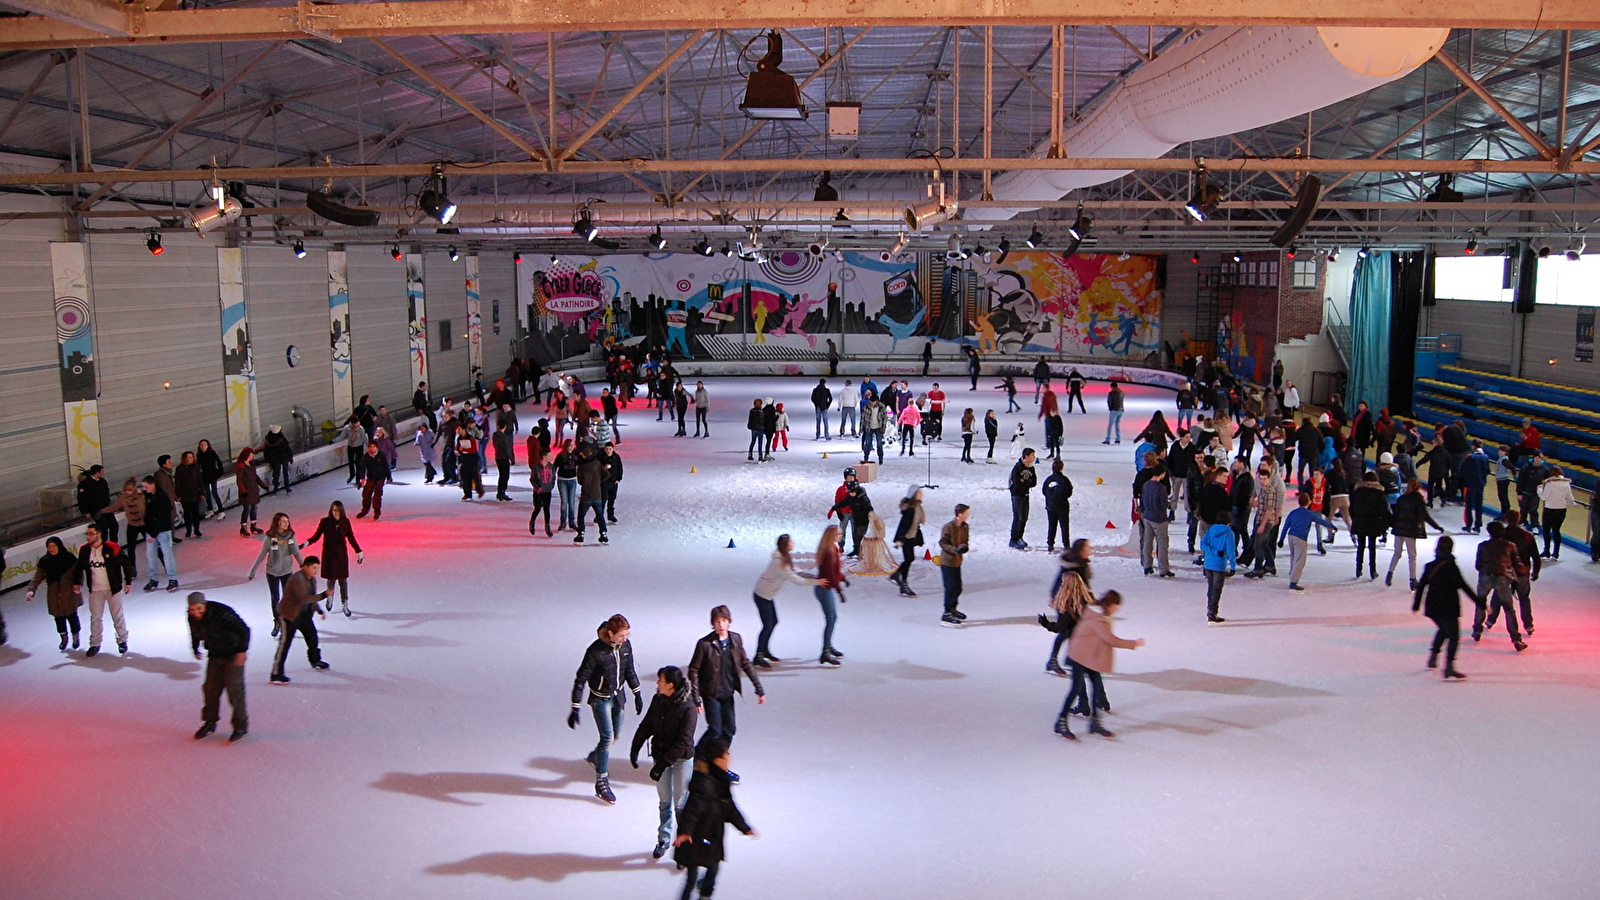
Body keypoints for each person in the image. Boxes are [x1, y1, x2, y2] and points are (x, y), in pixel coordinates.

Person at [569, 614, 642, 804]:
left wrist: (637, 692)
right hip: (600, 700)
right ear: (610, 634)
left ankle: (596, 756)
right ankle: (601, 781)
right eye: (621, 635)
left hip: (618, 697)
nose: (625, 639)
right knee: (607, 737)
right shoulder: (596, 651)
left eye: (627, 635)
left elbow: (629, 670)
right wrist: (575, 706)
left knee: (615, 736)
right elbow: (581, 678)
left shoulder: (625, 646)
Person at [672, 736, 756, 900]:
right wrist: (685, 832)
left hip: (711, 835)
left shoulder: (721, 782)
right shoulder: (703, 785)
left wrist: (744, 827)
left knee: (713, 869)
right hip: (695, 838)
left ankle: (704, 896)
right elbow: (691, 811)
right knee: (692, 876)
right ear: (717, 760)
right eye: (727, 754)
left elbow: (730, 809)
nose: (730, 757)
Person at [631, 666, 699, 859]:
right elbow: (647, 724)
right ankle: (664, 838)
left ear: (670, 685)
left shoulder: (688, 706)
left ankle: (685, 842)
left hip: (681, 760)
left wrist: (661, 765)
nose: (657, 683)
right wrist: (636, 746)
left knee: (680, 802)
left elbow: (683, 741)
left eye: (660, 680)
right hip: (660, 755)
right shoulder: (658, 700)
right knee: (664, 801)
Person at [1059, 591, 1144, 740]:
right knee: (1075, 689)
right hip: (1079, 656)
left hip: (1090, 656)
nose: (1117, 609)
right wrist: (1134, 643)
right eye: (1116, 606)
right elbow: (1111, 640)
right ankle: (1061, 722)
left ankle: (1094, 722)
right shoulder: (1097, 620)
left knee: (1097, 687)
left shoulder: (1100, 615)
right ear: (1109, 605)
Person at [687, 605, 766, 740]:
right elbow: (693, 670)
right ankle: (700, 757)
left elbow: (745, 663)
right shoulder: (705, 644)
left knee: (730, 729)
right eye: (717, 621)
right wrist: (696, 698)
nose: (721, 624)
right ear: (713, 623)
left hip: (727, 692)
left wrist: (758, 688)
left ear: (729, 621)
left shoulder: (735, 640)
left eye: (724, 620)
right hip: (711, 694)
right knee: (715, 730)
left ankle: (719, 757)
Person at [751, 534, 822, 668]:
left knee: (773, 622)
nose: (793, 543)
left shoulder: (784, 558)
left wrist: (812, 576)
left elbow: (795, 572)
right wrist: (817, 582)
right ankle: (758, 656)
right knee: (768, 625)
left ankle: (764, 651)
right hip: (762, 595)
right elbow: (797, 580)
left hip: (767, 595)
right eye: (791, 542)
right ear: (786, 545)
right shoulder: (779, 563)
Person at [1412, 538, 1472, 680]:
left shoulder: (1430, 566)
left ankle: (1433, 656)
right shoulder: (1451, 567)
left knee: (1444, 630)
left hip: (1433, 606)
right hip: (1448, 606)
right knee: (1454, 636)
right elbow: (1463, 586)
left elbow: (1421, 587)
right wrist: (1480, 602)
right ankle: (1449, 667)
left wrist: (1416, 605)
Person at [269, 556, 332, 684]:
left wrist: (318, 610)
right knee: (285, 644)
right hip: (289, 615)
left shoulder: (311, 579)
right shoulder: (297, 579)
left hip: (303, 615)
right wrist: (324, 595)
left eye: (317, 568)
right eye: (313, 568)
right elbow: (304, 598)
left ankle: (315, 660)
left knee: (312, 637)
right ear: (306, 567)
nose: (316, 571)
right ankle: (276, 673)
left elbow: (311, 598)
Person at [74, 523, 134, 657]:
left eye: (91, 534)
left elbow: (126, 564)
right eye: (87, 534)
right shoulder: (84, 550)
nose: (88, 537)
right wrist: (77, 582)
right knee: (95, 617)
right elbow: (80, 567)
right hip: (95, 589)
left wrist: (128, 581)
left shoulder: (112, 548)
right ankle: (95, 643)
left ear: (99, 534)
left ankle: (122, 640)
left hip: (112, 588)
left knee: (117, 616)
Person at [1472, 522, 1527, 651]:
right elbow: (1518, 564)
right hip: (1502, 578)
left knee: (1481, 603)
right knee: (1508, 609)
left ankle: (1477, 631)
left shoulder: (1482, 546)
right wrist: (1524, 572)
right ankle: (1516, 639)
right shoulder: (1510, 546)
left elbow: (1478, 565)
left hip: (1485, 577)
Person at [301, 501, 362, 617]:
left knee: (343, 581)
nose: (336, 513)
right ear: (331, 511)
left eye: (338, 510)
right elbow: (317, 536)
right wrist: (306, 543)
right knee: (331, 580)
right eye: (334, 510)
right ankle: (330, 597)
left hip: (341, 556)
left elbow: (351, 538)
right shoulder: (325, 522)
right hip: (329, 556)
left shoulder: (345, 522)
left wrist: (359, 551)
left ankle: (345, 603)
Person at [248, 513, 305, 638]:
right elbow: (262, 554)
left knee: (287, 597)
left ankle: (287, 620)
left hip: (286, 570)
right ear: (277, 523)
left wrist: (303, 566)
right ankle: (277, 621)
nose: (286, 523)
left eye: (287, 521)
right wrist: (253, 570)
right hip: (272, 572)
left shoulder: (291, 536)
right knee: (275, 597)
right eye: (283, 521)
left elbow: (295, 551)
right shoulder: (269, 537)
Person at [1043, 539, 1091, 676]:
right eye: (1088, 547)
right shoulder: (1073, 566)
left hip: (1073, 600)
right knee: (1065, 629)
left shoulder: (1080, 563)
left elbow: (1083, 587)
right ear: (1081, 550)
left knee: (1074, 629)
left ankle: (1071, 658)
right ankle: (1053, 660)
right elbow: (1065, 585)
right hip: (1065, 600)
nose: (1091, 549)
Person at [1386, 480, 1445, 590]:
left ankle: (1390, 573)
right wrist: (1437, 527)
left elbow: (1395, 515)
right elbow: (1425, 515)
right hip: (1410, 530)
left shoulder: (1401, 498)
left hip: (1399, 530)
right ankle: (1413, 580)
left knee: (1397, 553)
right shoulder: (1418, 499)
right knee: (1412, 556)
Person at [26, 537, 81, 651]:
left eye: (53, 546)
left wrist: (77, 584)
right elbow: (38, 576)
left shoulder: (69, 558)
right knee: (58, 618)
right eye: (49, 547)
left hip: (69, 593)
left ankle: (75, 636)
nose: (51, 549)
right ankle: (64, 638)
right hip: (54, 594)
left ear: (59, 546)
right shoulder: (45, 561)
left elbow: (78, 573)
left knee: (72, 616)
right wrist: (31, 590)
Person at [1278, 492, 1337, 592]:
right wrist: (1332, 526)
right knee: (1300, 560)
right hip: (1300, 538)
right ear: (1309, 502)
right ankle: (1293, 582)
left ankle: (1292, 574)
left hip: (1291, 536)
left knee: (1294, 557)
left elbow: (1286, 526)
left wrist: (1281, 539)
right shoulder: (1309, 514)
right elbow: (1321, 521)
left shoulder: (1293, 512)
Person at [810, 530, 848, 666]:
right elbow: (830, 574)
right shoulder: (828, 552)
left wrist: (842, 578)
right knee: (831, 619)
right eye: (839, 533)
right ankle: (825, 652)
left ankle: (828, 645)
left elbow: (835, 571)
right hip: (824, 589)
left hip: (826, 588)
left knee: (832, 618)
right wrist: (839, 591)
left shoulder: (833, 548)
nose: (841, 535)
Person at [1243, 458, 1285, 579]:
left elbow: (1270, 509)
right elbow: (1256, 496)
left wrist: (1263, 524)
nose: (1261, 481)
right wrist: (1254, 501)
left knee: (1259, 544)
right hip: (1260, 518)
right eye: (1260, 479)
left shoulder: (1271, 490)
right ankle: (1270, 565)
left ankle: (1258, 568)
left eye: (1264, 479)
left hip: (1266, 521)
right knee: (1263, 543)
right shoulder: (1262, 488)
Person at [139, 475, 179, 593]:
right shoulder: (148, 495)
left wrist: (153, 534)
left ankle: (172, 579)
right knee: (151, 556)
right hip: (151, 531)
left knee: (167, 555)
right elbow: (148, 514)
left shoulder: (162, 498)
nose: (144, 489)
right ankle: (153, 579)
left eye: (146, 486)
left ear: (153, 485)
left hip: (162, 531)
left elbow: (162, 518)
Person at [1349, 471, 1392, 580]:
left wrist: (1355, 517)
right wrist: (1390, 521)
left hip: (1360, 520)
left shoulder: (1357, 491)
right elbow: (1383, 510)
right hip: (1373, 521)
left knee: (1361, 546)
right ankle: (1373, 570)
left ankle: (1358, 569)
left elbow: (1351, 507)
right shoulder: (1379, 493)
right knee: (1372, 547)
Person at [1138, 464, 1175, 577]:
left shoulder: (1146, 485)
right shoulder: (1161, 488)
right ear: (1163, 474)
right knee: (1162, 544)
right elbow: (1163, 504)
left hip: (1147, 517)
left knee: (1147, 542)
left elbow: (1142, 500)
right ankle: (1163, 569)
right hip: (1159, 519)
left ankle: (1147, 565)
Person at [937, 504, 971, 627]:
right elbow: (942, 542)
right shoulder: (948, 527)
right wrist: (954, 549)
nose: (968, 516)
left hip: (957, 562)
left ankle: (953, 609)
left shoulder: (965, 527)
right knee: (950, 588)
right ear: (959, 514)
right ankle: (946, 613)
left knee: (958, 587)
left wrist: (964, 548)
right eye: (966, 513)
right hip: (947, 562)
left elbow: (965, 541)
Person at [1201, 511, 1237, 623]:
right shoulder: (1229, 533)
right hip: (1219, 565)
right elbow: (1231, 551)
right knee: (1216, 590)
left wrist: (1213, 551)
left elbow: (1203, 544)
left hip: (1208, 564)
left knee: (1211, 588)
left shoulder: (1211, 529)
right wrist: (1233, 566)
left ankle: (1210, 609)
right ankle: (1212, 613)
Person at [891, 486, 926, 597]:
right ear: (913, 494)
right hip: (906, 537)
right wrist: (899, 540)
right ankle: (903, 585)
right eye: (919, 492)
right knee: (909, 559)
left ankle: (897, 574)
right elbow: (904, 525)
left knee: (910, 558)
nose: (921, 494)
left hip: (910, 536)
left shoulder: (916, 506)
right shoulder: (911, 509)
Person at [1537, 466, 1574, 558]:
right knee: (1556, 530)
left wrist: (1539, 489)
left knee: (1546, 530)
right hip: (1561, 510)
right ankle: (1556, 552)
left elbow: (1544, 497)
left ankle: (1546, 551)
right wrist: (1573, 504)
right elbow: (1570, 498)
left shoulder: (1550, 484)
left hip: (1550, 509)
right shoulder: (1566, 484)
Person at [1041, 460, 1074, 552]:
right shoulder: (1064, 480)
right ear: (1062, 468)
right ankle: (1066, 544)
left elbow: (1044, 491)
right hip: (1062, 506)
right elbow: (1069, 492)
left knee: (1052, 525)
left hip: (1050, 506)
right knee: (1064, 526)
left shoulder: (1048, 480)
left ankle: (1050, 543)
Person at [1008, 448, 1038, 550]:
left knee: (1024, 517)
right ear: (1026, 456)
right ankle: (1013, 539)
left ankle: (1020, 537)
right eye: (1032, 455)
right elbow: (1017, 483)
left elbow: (1034, 482)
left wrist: (1025, 482)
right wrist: (1026, 483)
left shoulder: (1031, 468)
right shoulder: (1017, 468)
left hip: (1026, 495)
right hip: (1017, 496)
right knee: (1018, 517)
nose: (1034, 457)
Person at [235, 448, 267, 536]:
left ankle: (253, 526)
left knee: (254, 508)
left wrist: (263, 485)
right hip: (246, 491)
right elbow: (239, 480)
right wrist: (243, 491)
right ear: (247, 455)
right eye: (251, 454)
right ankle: (243, 527)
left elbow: (255, 477)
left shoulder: (251, 465)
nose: (253, 455)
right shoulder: (240, 466)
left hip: (253, 490)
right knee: (247, 509)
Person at [175, 451, 206, 539]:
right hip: (185, 495)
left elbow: (199, 480)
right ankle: (188, 530)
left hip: (195, 494)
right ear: (184, 458)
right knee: (187, 513)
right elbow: (178, 483)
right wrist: (178, 495)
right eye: (188, 457)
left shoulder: (196, 467)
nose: (190, 459)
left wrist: (202, 492)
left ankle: (197, 529)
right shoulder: (179, 469)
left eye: (191, 457)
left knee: (196, 513)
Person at [356, 442, 390, 520]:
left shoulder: (381, 455)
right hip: (371, 477)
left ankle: (377, 512)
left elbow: (386, 466)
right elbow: (362, 468)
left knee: (377, 495)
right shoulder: (366, 457)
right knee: (366, 494)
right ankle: (364, 511)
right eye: (370, 447)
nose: (372, 448)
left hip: (380, 477)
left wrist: (389, 477)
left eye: (373, 447)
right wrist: (362, 478)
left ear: (376, 447)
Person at [529, 451, 556, 537]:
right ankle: (532, 521)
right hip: (538, 491)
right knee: (537, 508)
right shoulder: (536, 467)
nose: (550, 457)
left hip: (547, 491)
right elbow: (532, 479)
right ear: (544, 456)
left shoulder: (551, 466)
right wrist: (538, 488)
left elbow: (553, 477)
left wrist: (551, 486)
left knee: (546, 509)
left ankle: (547, 526)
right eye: (549, 456)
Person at [262, 424, 295, 493]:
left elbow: (266, 450)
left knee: (276, 473)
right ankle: (287, 487)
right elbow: (287, 448)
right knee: (285, 472)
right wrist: (290, 456)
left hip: (274, 459)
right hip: (284, 457)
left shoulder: (268, 439)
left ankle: (275, 487)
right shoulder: (281, 439)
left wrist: (266, 457)